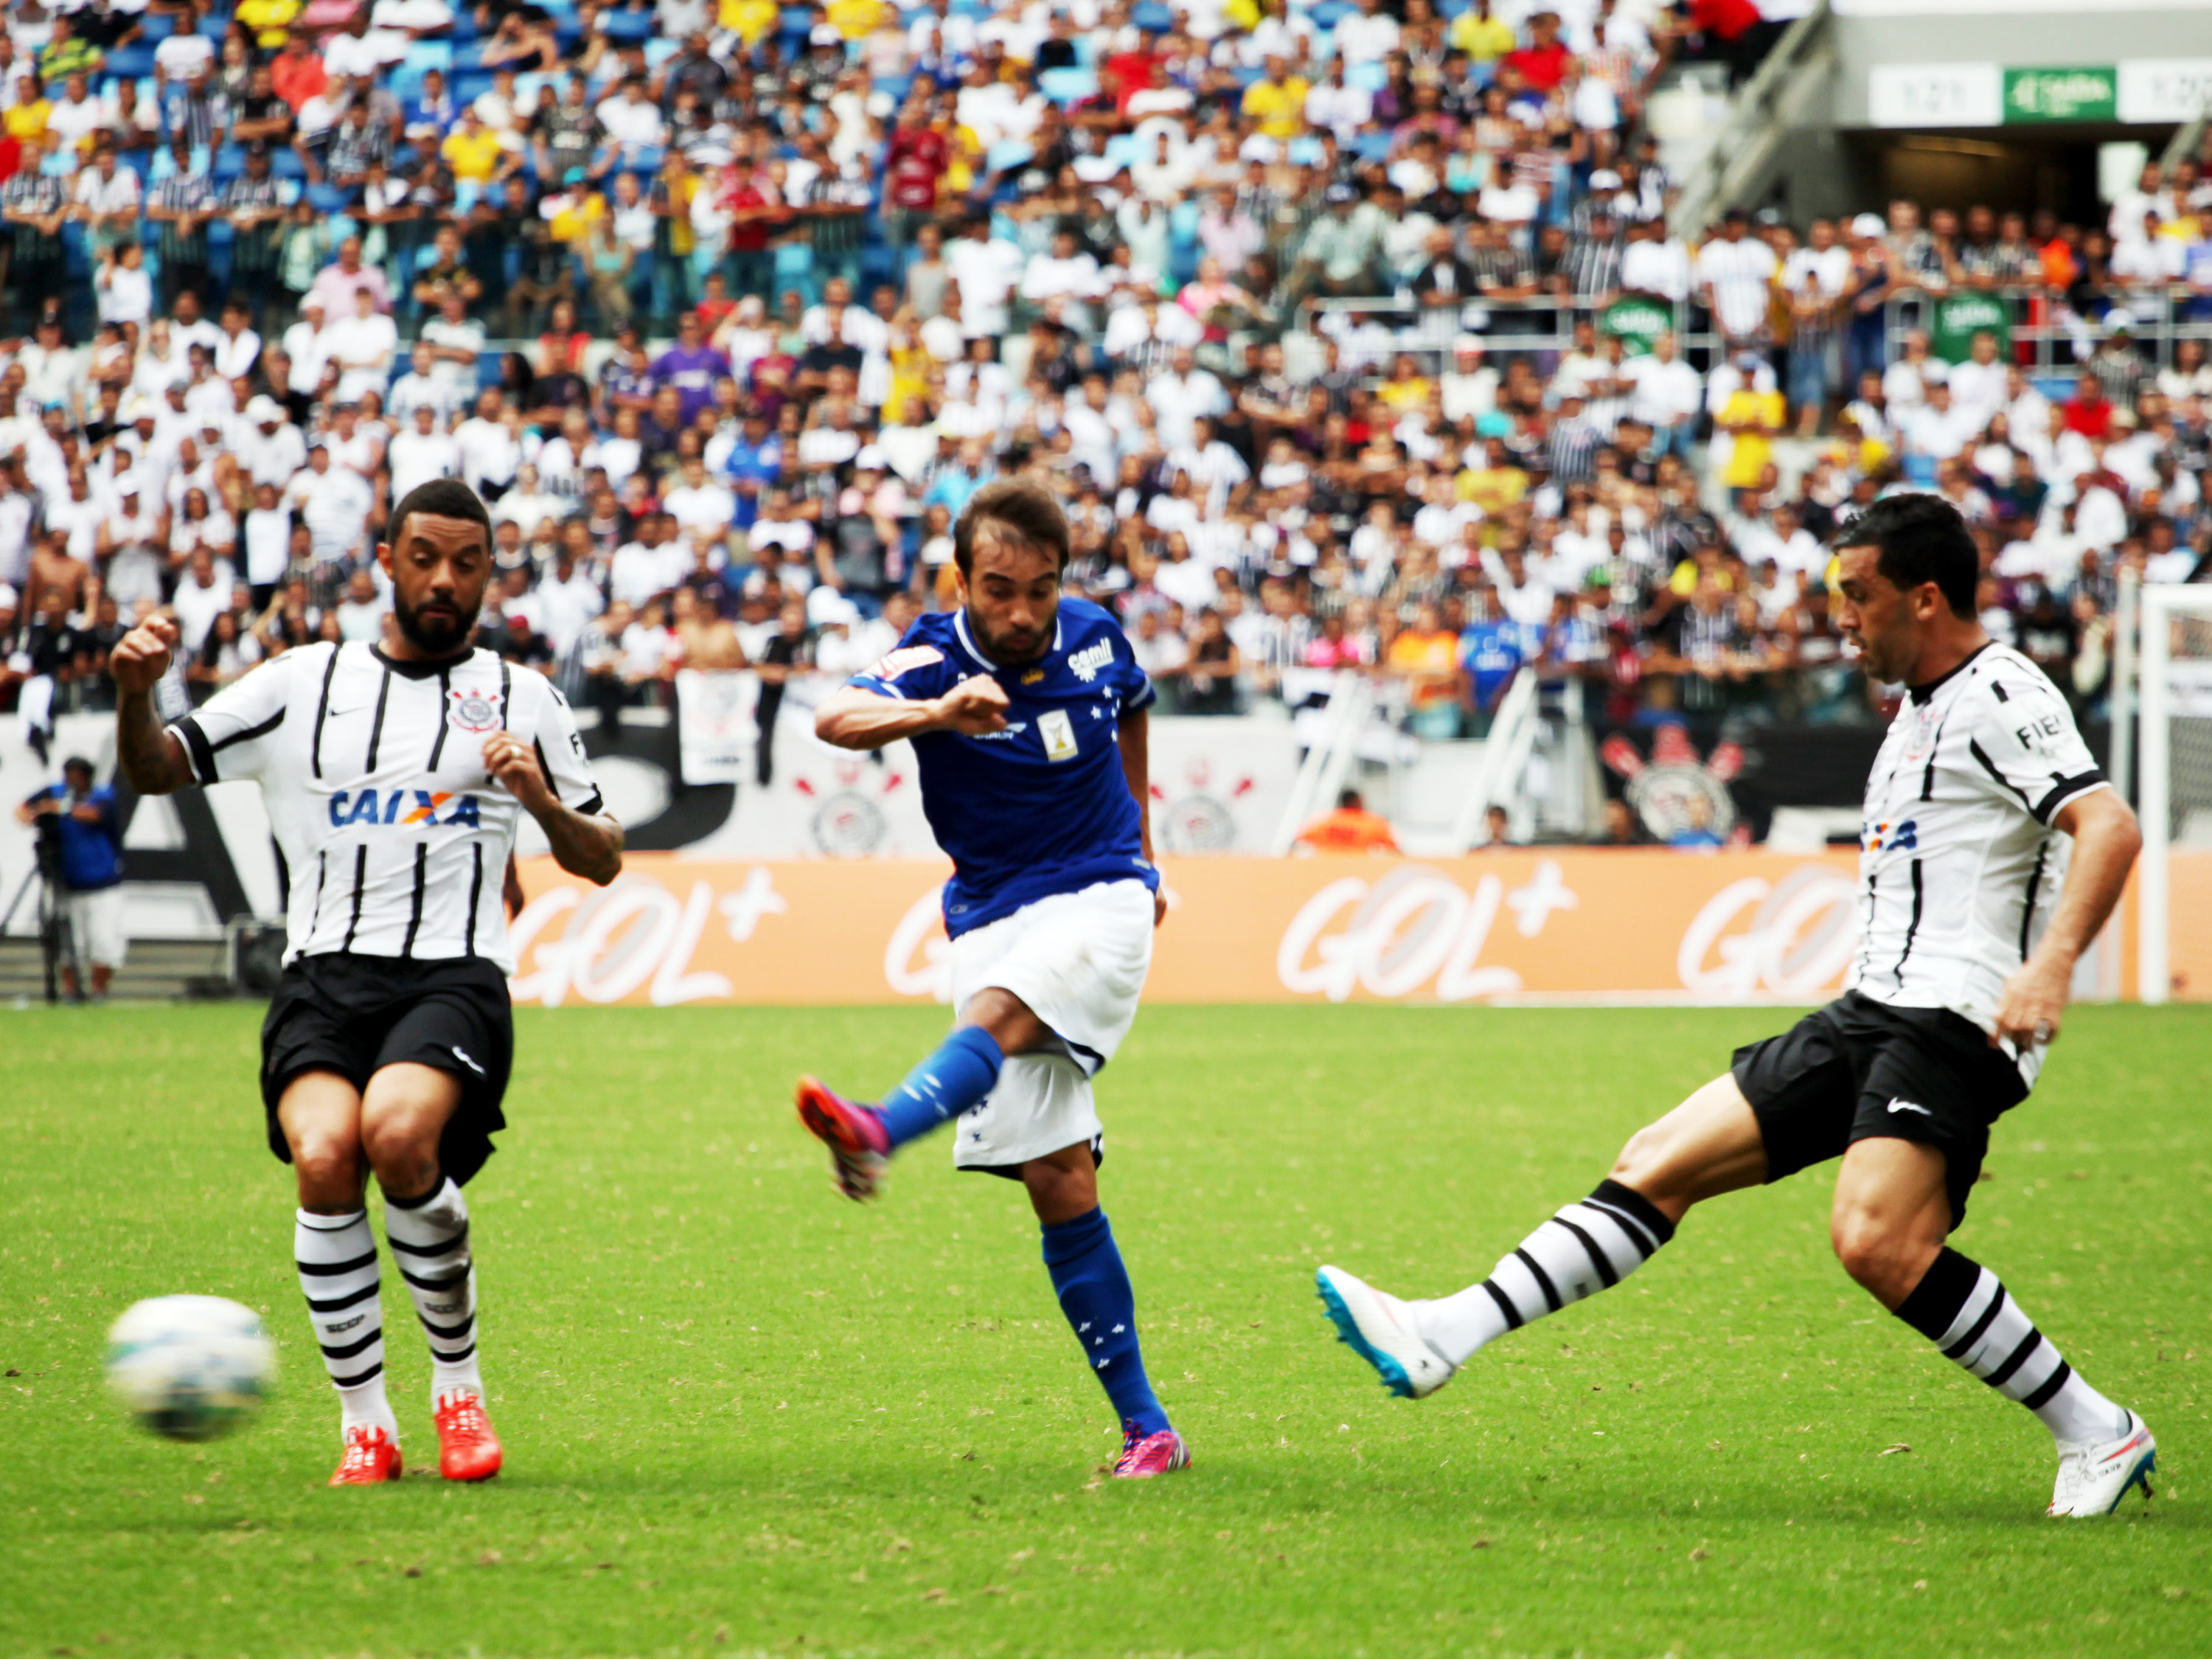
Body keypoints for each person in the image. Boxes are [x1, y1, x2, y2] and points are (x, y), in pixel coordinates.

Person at [1314, 495, 2157, 1520]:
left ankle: (2096, 1427)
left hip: (1961, 1016)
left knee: (1876, 1239)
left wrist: (2051, 967)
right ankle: (1443, 1330)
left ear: (1926, 597)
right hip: (1873, 1007)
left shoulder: (2002, 691)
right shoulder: (1917, 711)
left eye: (1859, 594)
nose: (1840, 617)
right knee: (1656, 1158)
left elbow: (2106, 823)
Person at [107, 480, 625, 1488]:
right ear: (386, 560)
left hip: (454, 974)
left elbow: (603, 856)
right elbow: (157, 770)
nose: (444, 578)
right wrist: (137, 691)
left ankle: (458, 1391)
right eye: (424, 556)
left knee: (396, 1133)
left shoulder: (526, 698)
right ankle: (367, 1423)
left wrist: (534, 800)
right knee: (324, 1151)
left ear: (488, 572)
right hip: (321, 976)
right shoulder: (302, 681)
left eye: (466, 561)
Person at [791, 479, 1189, 1481]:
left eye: (1041, 591)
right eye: (1000, 588)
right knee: (1060, 1180)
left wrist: (1147, 847)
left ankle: (880, 1126)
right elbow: (832, 717)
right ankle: (1151, 1430)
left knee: (1002, 1016)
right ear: (961, 578)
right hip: (988, 912)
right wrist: (937, 712)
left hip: (1103, 895)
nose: (1021, 613)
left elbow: (1135, 707)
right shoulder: (931, 654)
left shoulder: (1097, 636)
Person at [14, 755, 126, 1000]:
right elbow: (22, 807)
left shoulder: (102, 794)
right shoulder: (56, 791)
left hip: (102, 883)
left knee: (104, 943)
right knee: (68, 945)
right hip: (68, 883)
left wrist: (60, 809)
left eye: (77, 775)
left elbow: (97, 815)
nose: (72, 780)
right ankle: (70, 991)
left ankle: (99, 991)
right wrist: (30, 816)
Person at [1293, 787, 1399, 855]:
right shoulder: (1372, 822)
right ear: (1356, 801)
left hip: (1327, 865)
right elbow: (1392, 845)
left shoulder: (1324, 821)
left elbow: (1301, 839)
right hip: (1358, 865)